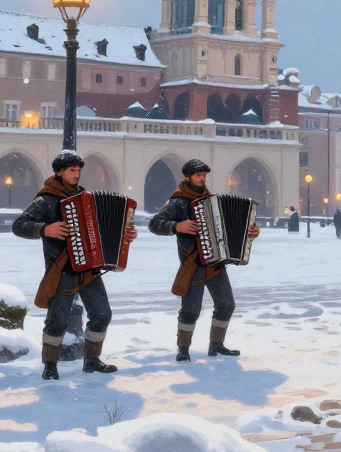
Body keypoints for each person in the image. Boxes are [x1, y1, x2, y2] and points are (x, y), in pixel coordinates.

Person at [12, 151, 136, 380]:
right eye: (72, 170)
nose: (77, 174)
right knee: (57, 320)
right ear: (59, 172)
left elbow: (102, 230)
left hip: (89, 269)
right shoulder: (46, 199)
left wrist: (125, 235)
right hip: (63, 269)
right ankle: (50, 365)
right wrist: (44, 229)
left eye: (79, 170)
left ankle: (92, 360)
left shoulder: (86, 198)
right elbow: (19, 225)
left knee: (102, 314)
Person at [149, 159, 260, 362]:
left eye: (204, 176)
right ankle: (183, 349)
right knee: (191, 310)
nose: (202, 179)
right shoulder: (178, 201)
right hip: (193, 263)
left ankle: (216, 345)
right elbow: (154, 224)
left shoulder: (212, 201)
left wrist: (250, 232)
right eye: (198, 175)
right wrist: (176, 226)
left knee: (226, 304)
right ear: (188, 177)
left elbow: (229, 229)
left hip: (216, 262)